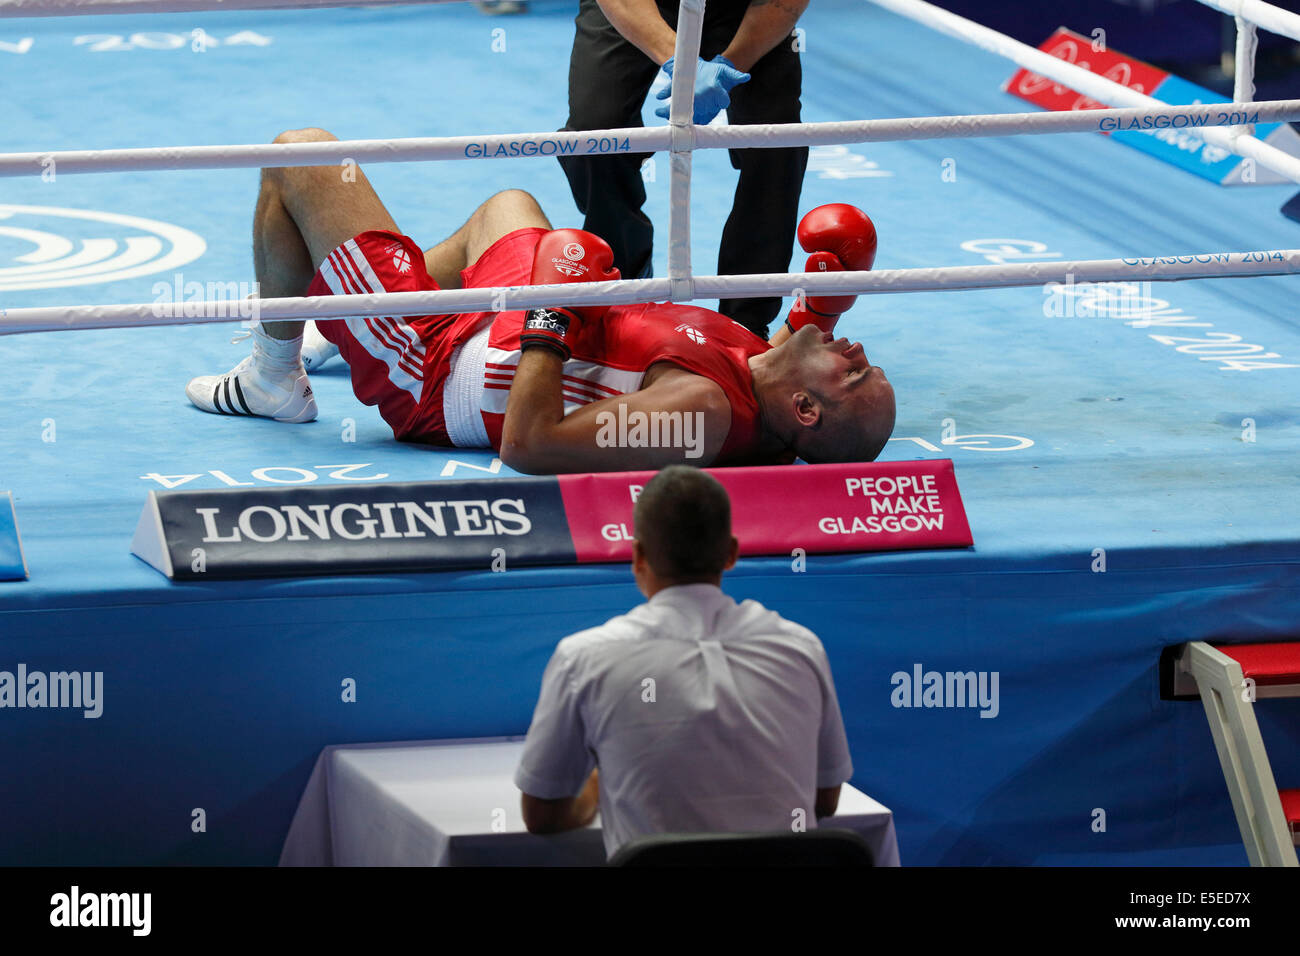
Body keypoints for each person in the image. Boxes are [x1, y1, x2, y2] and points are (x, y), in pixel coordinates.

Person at [185, 127, 894, 474]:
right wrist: (824, 306)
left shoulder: (699, 416)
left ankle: (274, 376)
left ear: (806, 409)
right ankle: (342, 319)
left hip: (438, 369)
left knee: (301, 157)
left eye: (854, 372)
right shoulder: (764, 375)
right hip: (500, 324)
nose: (858, 353)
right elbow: (777, 362)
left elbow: (531, 445)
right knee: (511, 205)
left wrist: (551, 313)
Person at [513, 464, 854, 858]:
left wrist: (593, 792)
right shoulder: (800, 649)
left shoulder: (584, 659)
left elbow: (540, 815)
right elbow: (825, 800)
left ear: (638, 556)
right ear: (731, 553)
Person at [559, 0, 811, 339]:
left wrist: (730, 65)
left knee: (777, 143)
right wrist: (681, 65)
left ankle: (746, 324)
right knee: (596, 131)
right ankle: (622, 280)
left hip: (745, 9)